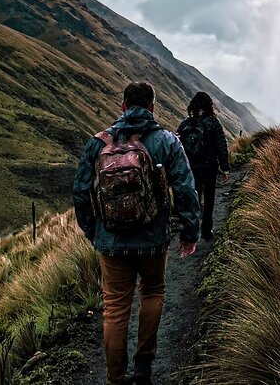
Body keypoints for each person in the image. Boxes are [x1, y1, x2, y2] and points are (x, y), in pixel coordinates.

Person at [73, 81, 200, 385]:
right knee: (153, 292)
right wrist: (189, 232)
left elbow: (80, 191)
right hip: (153, 239)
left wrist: (94, 231)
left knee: (115, 307)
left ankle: (116, 378)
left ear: (123, 107)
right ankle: (144, 366)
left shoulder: (98, 143)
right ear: (153, 107)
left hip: (111, 242)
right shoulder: (167, 140)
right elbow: (185, 187)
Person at [177, 91, 230, 241]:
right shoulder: (214, 122)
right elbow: (221, 146)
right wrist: (225, 168)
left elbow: (178, 146)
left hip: (192, 168)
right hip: (210, 168)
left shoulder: (185, 123)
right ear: (209, 106)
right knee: (209, 200)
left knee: (193, 201)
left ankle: (191, 234)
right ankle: (207, 231)